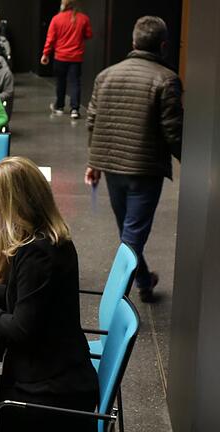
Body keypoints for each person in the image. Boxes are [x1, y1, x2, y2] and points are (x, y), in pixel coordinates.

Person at [0, 157, 99, 432]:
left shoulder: (37, 253)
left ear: (11, 206)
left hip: (49, 391)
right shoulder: (45, 240)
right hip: (57, 371)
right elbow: (25, 297)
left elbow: (22, 327)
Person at [85, 16, 182, 302]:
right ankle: (117, 297)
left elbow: (93, 120)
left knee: (128, 231)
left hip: (112, 164)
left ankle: (142, 279)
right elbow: (174, 131)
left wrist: (94, 161)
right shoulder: (167, 80)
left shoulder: (106, 75)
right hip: (144, 167)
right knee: (132, 234)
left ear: (133, 42)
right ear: (163, 46)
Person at [41, 0, 93, 119]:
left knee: (61, 82)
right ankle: (75, 109)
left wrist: (45, 54)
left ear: (64, 5)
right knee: (75, 82)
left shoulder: (57, 19)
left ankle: (59, 107)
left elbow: (51, 38)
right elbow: (89, 34)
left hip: (60, 57)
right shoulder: (83, 18)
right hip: (76, 57)